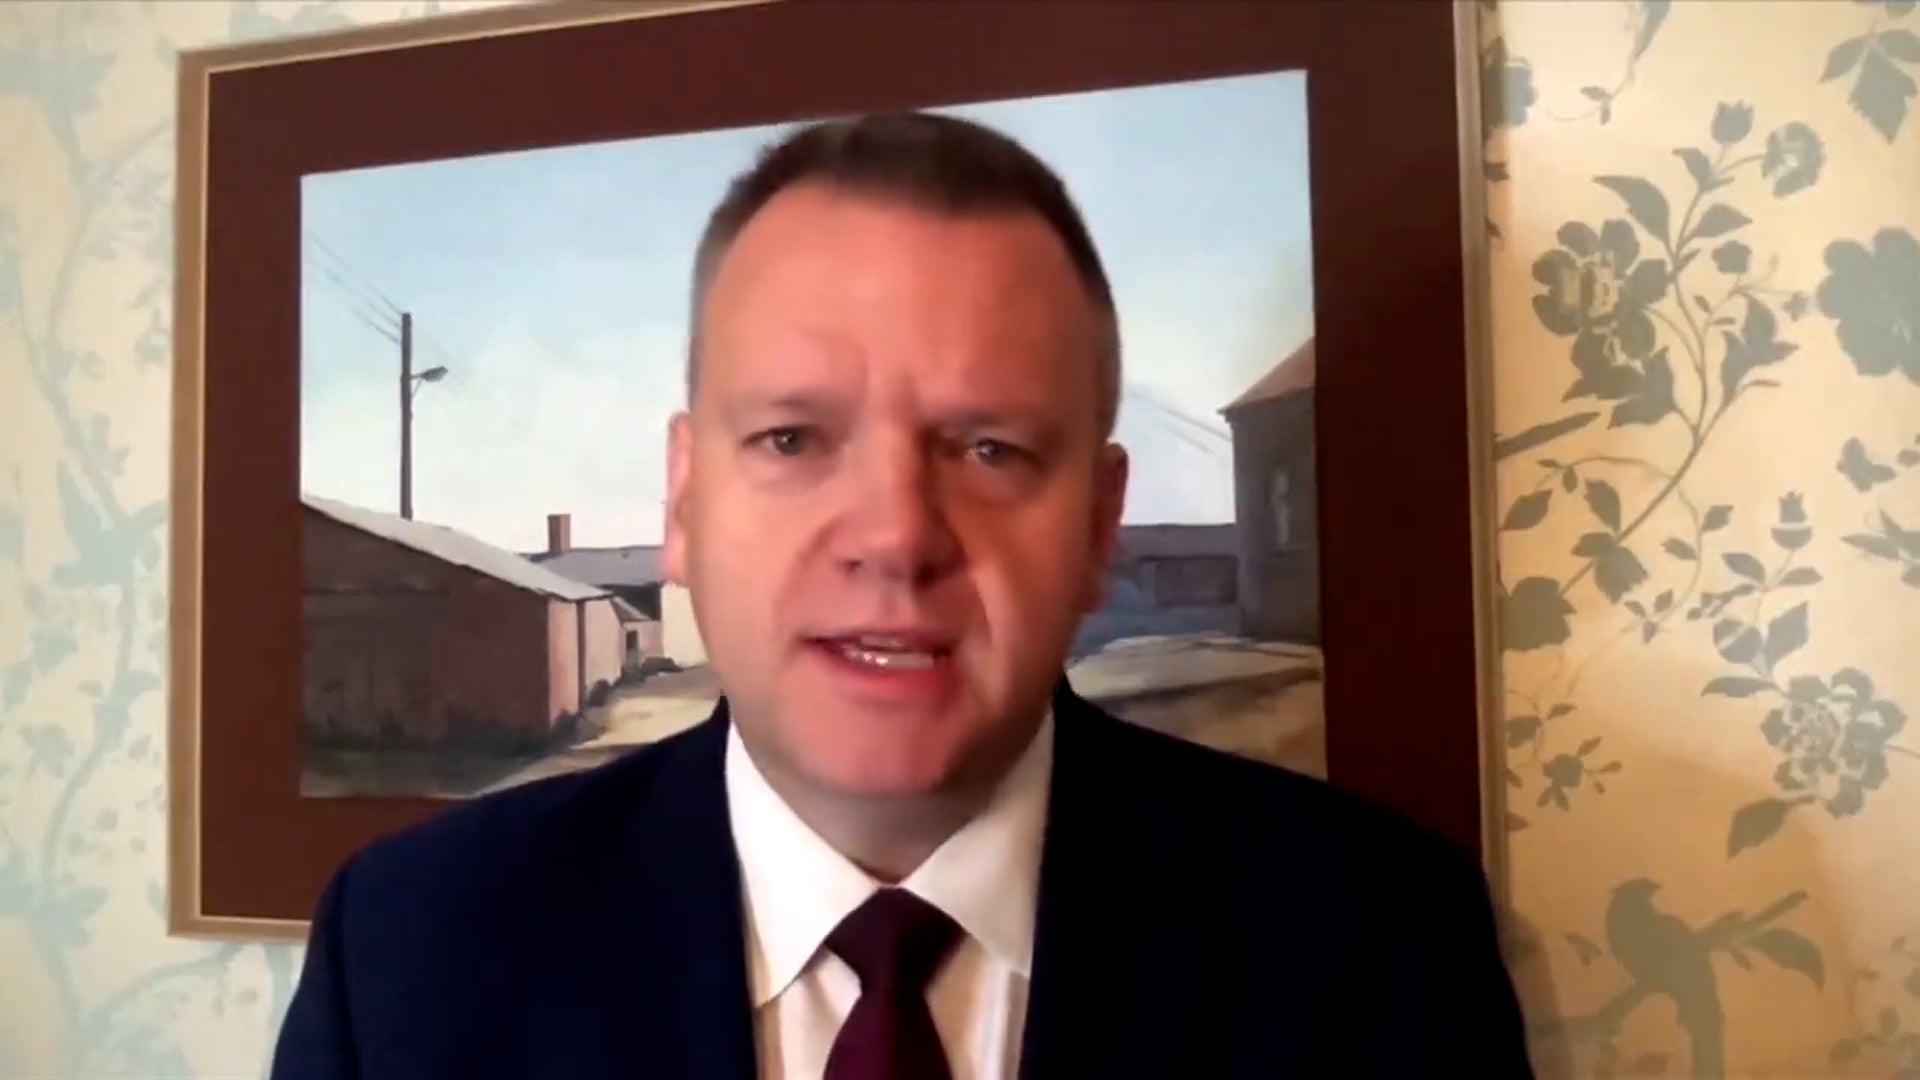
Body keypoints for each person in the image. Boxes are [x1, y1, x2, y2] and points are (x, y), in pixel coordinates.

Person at [270, 110, 1534, 1079]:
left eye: (989, 448)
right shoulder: (410, 957)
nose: (894, 536)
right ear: (683, 502)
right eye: (792, 439)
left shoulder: (1384, 949)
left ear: (1099, 524)